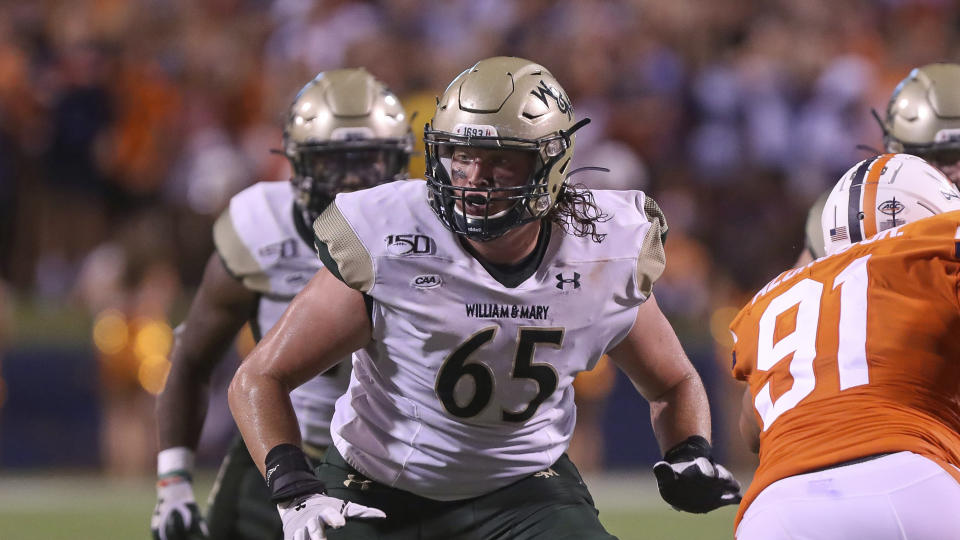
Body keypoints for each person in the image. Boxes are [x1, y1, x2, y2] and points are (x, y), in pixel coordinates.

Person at [228, 56, 741, 540]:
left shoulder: (601, 252)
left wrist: (686, 451)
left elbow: (673, 381)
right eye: (460, 155)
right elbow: (260, 376)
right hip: (377, 486)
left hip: (523, 489)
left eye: (502, 160)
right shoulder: (390, 239)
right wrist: (294, 489)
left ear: (551, 164)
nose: (474, 179)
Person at [151, 68, 413, 540]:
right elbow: (192, 357)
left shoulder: (430, 233)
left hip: (390, 465)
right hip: (278, 448)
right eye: (335, 161)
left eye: (369, 160)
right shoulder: (261, 226)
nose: (353, 179)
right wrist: (174, 483)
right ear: (297, 162)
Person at [730, 153, 960, 539]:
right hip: (911, 481)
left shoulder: (772, 297)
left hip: (776, 509)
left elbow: (750, 430)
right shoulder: (932, 247)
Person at [794, 62, 960, 268]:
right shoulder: (846, 212)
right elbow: (800, 297)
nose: (957, 170)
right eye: (946, 156)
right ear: (899, 153)